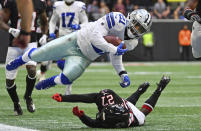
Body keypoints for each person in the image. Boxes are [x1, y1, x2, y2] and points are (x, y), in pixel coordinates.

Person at [6, 9, 152, 92]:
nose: (136, 29)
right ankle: (19, 60)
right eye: (136, 24)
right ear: (130, 18)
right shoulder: (116, 18)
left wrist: (122, 73)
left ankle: (51, 81)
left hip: (86, 56)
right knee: (39, 54)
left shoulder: (132, 43)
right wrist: (113, 48)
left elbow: (116, 55)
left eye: (140, 29)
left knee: (67, 78)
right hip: (76, 40)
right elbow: (96, 37)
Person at [52, 76, 171, 128]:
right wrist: (80, 115)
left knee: (134, 108)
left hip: (123, 108)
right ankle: (157, 90)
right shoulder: (126, 117)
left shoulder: (104, 120)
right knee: (141, 115)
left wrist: (81, 116)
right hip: (127, 112)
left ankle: (141, 90)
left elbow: (92, 123)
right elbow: (84, 99)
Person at [0, 0, 48, 115]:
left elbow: (44, 22)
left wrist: (44, 34)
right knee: (9, 80)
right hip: (14, 44)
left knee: (32, 70)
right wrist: (11, 30)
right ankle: (16, 103)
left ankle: (28, 96)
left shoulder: (39, 3)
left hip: (31, 42)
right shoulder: (11, 2)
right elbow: (2, 22)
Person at [37, 0, 88, 94]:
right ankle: (44, 72)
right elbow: (52, 21)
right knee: (58, 62)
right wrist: (51, 32)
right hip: (62, 38)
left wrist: (79, 26)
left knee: (68, 64)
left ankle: (68, 86)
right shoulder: (58, 5)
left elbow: (86, 22)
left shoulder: (79, 6)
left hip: (75, 39)